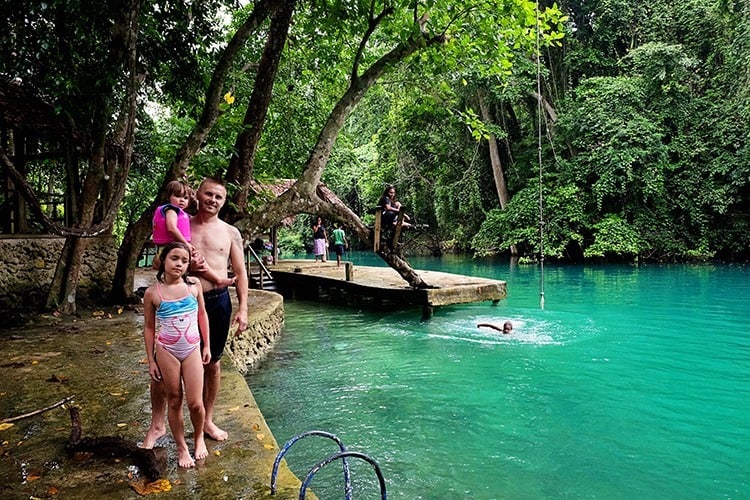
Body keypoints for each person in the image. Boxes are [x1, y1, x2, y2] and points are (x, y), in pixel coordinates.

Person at [143, 177, 249, 447]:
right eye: (208, 194)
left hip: (216, 301)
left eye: (219, 197)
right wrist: (187, 262)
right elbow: (158, 259)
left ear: (224, 202)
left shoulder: (230, 232)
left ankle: (208, 420)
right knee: (163, 367)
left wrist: (243, 308)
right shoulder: (179, 223)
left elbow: (239, 273)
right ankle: (157, 424)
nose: (213, 200)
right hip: (180, 304)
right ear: (197, 196)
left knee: (212, 363)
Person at [142, 242, 211, 468]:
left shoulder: (194, 286)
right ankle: (182, 447)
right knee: (174, 399)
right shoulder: (153, 293)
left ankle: (199, 437)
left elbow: (202, 315)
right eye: (174, 258)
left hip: (192, 348)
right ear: (163, 260)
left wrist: (207, 346)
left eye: (184, 260)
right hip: (166, 350)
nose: (179, 264)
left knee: (196, 403)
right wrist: (151, 359)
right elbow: (150, 327)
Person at [152, 180, 235, 288]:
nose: (182, 200)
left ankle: (218, 280)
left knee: (198, 260)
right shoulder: (171, 210)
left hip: (217, 296)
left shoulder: (231, 231)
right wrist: (186, 244)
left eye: (185, 198)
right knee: (195, 260)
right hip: (170, 248)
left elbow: (240, 271)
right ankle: (218, 280)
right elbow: (171, 228)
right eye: (178, 196)